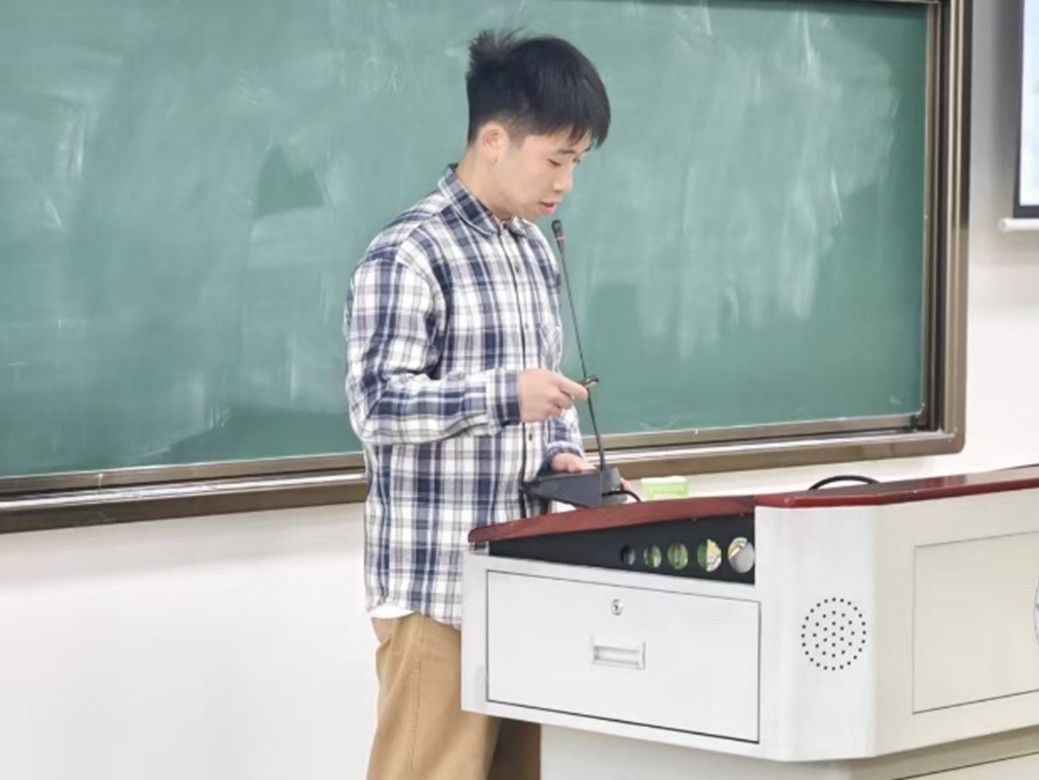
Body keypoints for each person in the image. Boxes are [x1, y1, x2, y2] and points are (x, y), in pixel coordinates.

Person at [344, 28, 611, 780]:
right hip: (438, 587)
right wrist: (504, 395)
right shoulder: (409, 252)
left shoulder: (531, 249)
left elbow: (543, 397)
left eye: (578, 163)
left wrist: (563, 455)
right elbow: (376, 403)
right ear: (494, 140)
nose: (565, 182)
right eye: (555, 159)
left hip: (523, 577)